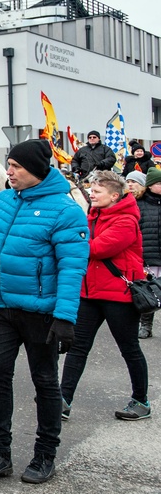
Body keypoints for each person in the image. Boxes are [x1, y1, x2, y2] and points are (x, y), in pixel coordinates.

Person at [0, 139, 89, 485]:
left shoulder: (66, 211)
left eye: (16, 166)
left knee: (46, 381)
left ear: (37, 169)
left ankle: (45, 454)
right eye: (10, 165)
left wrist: (65, 317)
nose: (10, 172)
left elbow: (72, 268)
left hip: (41, 313)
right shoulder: (1, 201)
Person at [60, 171, 151, 422]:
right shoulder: (92, 216)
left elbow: (98, 248)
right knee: (77, 348)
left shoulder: (126, 220)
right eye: (91, 190)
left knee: (129, 348)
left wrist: (70, 243)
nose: (91, 193)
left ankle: (141, 401)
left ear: (114, 195)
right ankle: (63, 400)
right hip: (89, 293)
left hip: (118, 296)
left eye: (97, 191)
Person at [136, 167, 161, 338]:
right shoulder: (139, 205)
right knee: (149, 292)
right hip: (148, 257)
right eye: (159, 183)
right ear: (150, 185)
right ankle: (145, 325)